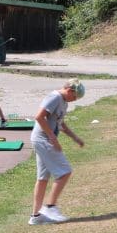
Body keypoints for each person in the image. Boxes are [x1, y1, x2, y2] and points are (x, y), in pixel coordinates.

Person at [29, 79, 86, 224]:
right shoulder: (54, 97)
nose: (74, 100)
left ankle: (35, 217)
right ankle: (50, 206)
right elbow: (39, 117)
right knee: (65, 171)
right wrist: (53, 138)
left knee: (42, 178)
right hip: (42, 139)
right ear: (70, 90)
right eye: (75, 97)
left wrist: (76, 138)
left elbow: (61, 123)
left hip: (44, 139)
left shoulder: (64, 102)